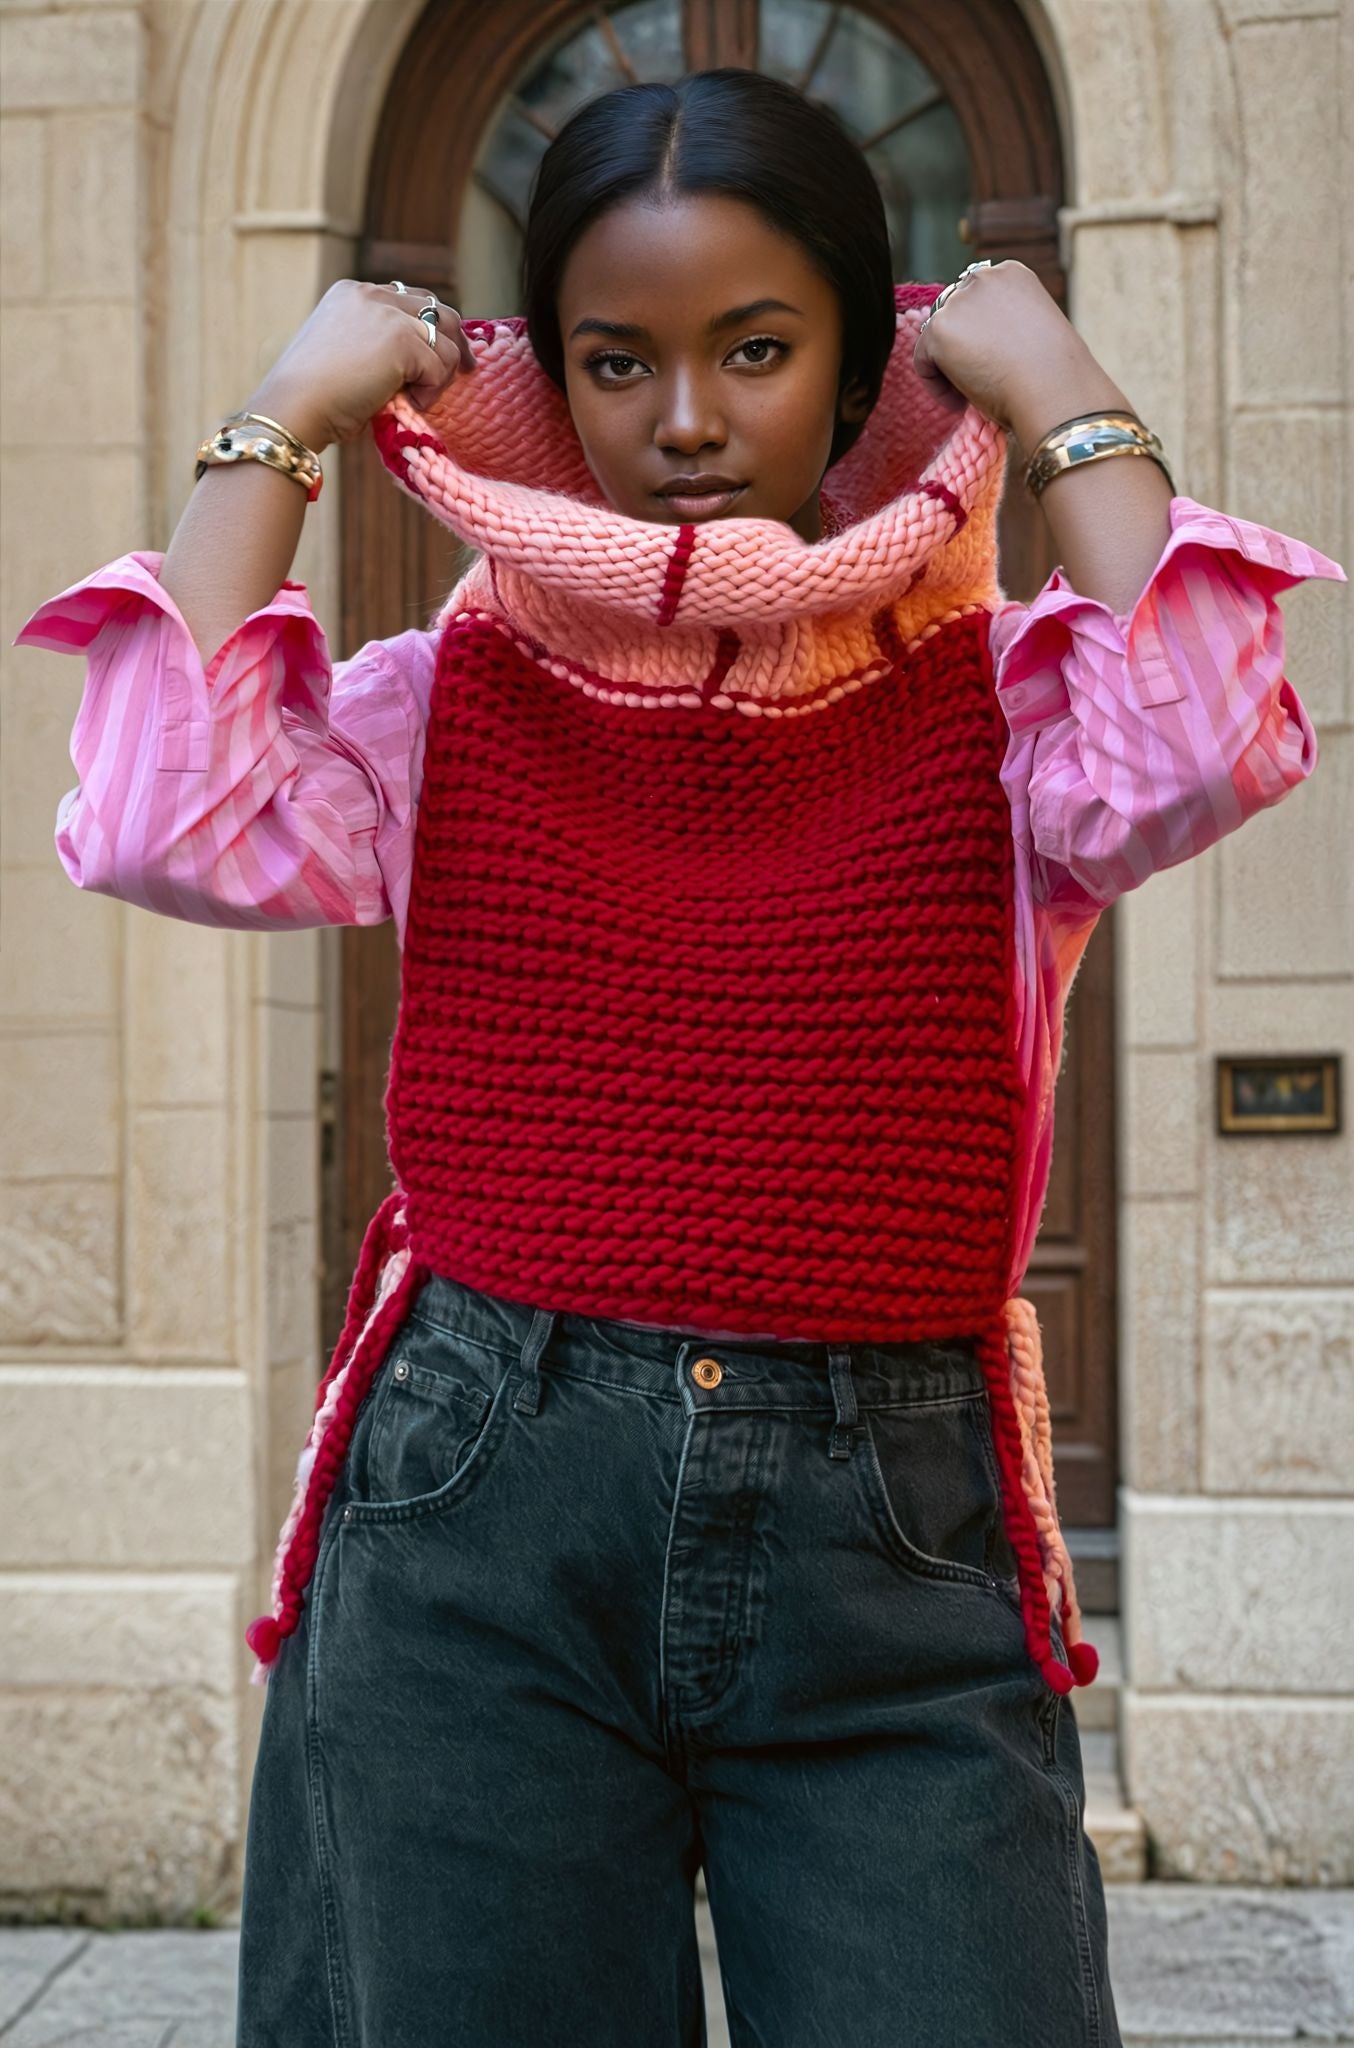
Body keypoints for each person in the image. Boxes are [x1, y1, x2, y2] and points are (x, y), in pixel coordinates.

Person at [13, 65, 1345, 2048]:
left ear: (847, 350)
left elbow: (1199, 739)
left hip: (885, 1544)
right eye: (616, 360)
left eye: (753, 348)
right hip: (479, 1508)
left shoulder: (993, 707)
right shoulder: (442, 698)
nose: (688, 422)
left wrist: (1057, 381)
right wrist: (273, 424)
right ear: (549, 372)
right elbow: (148, 814)